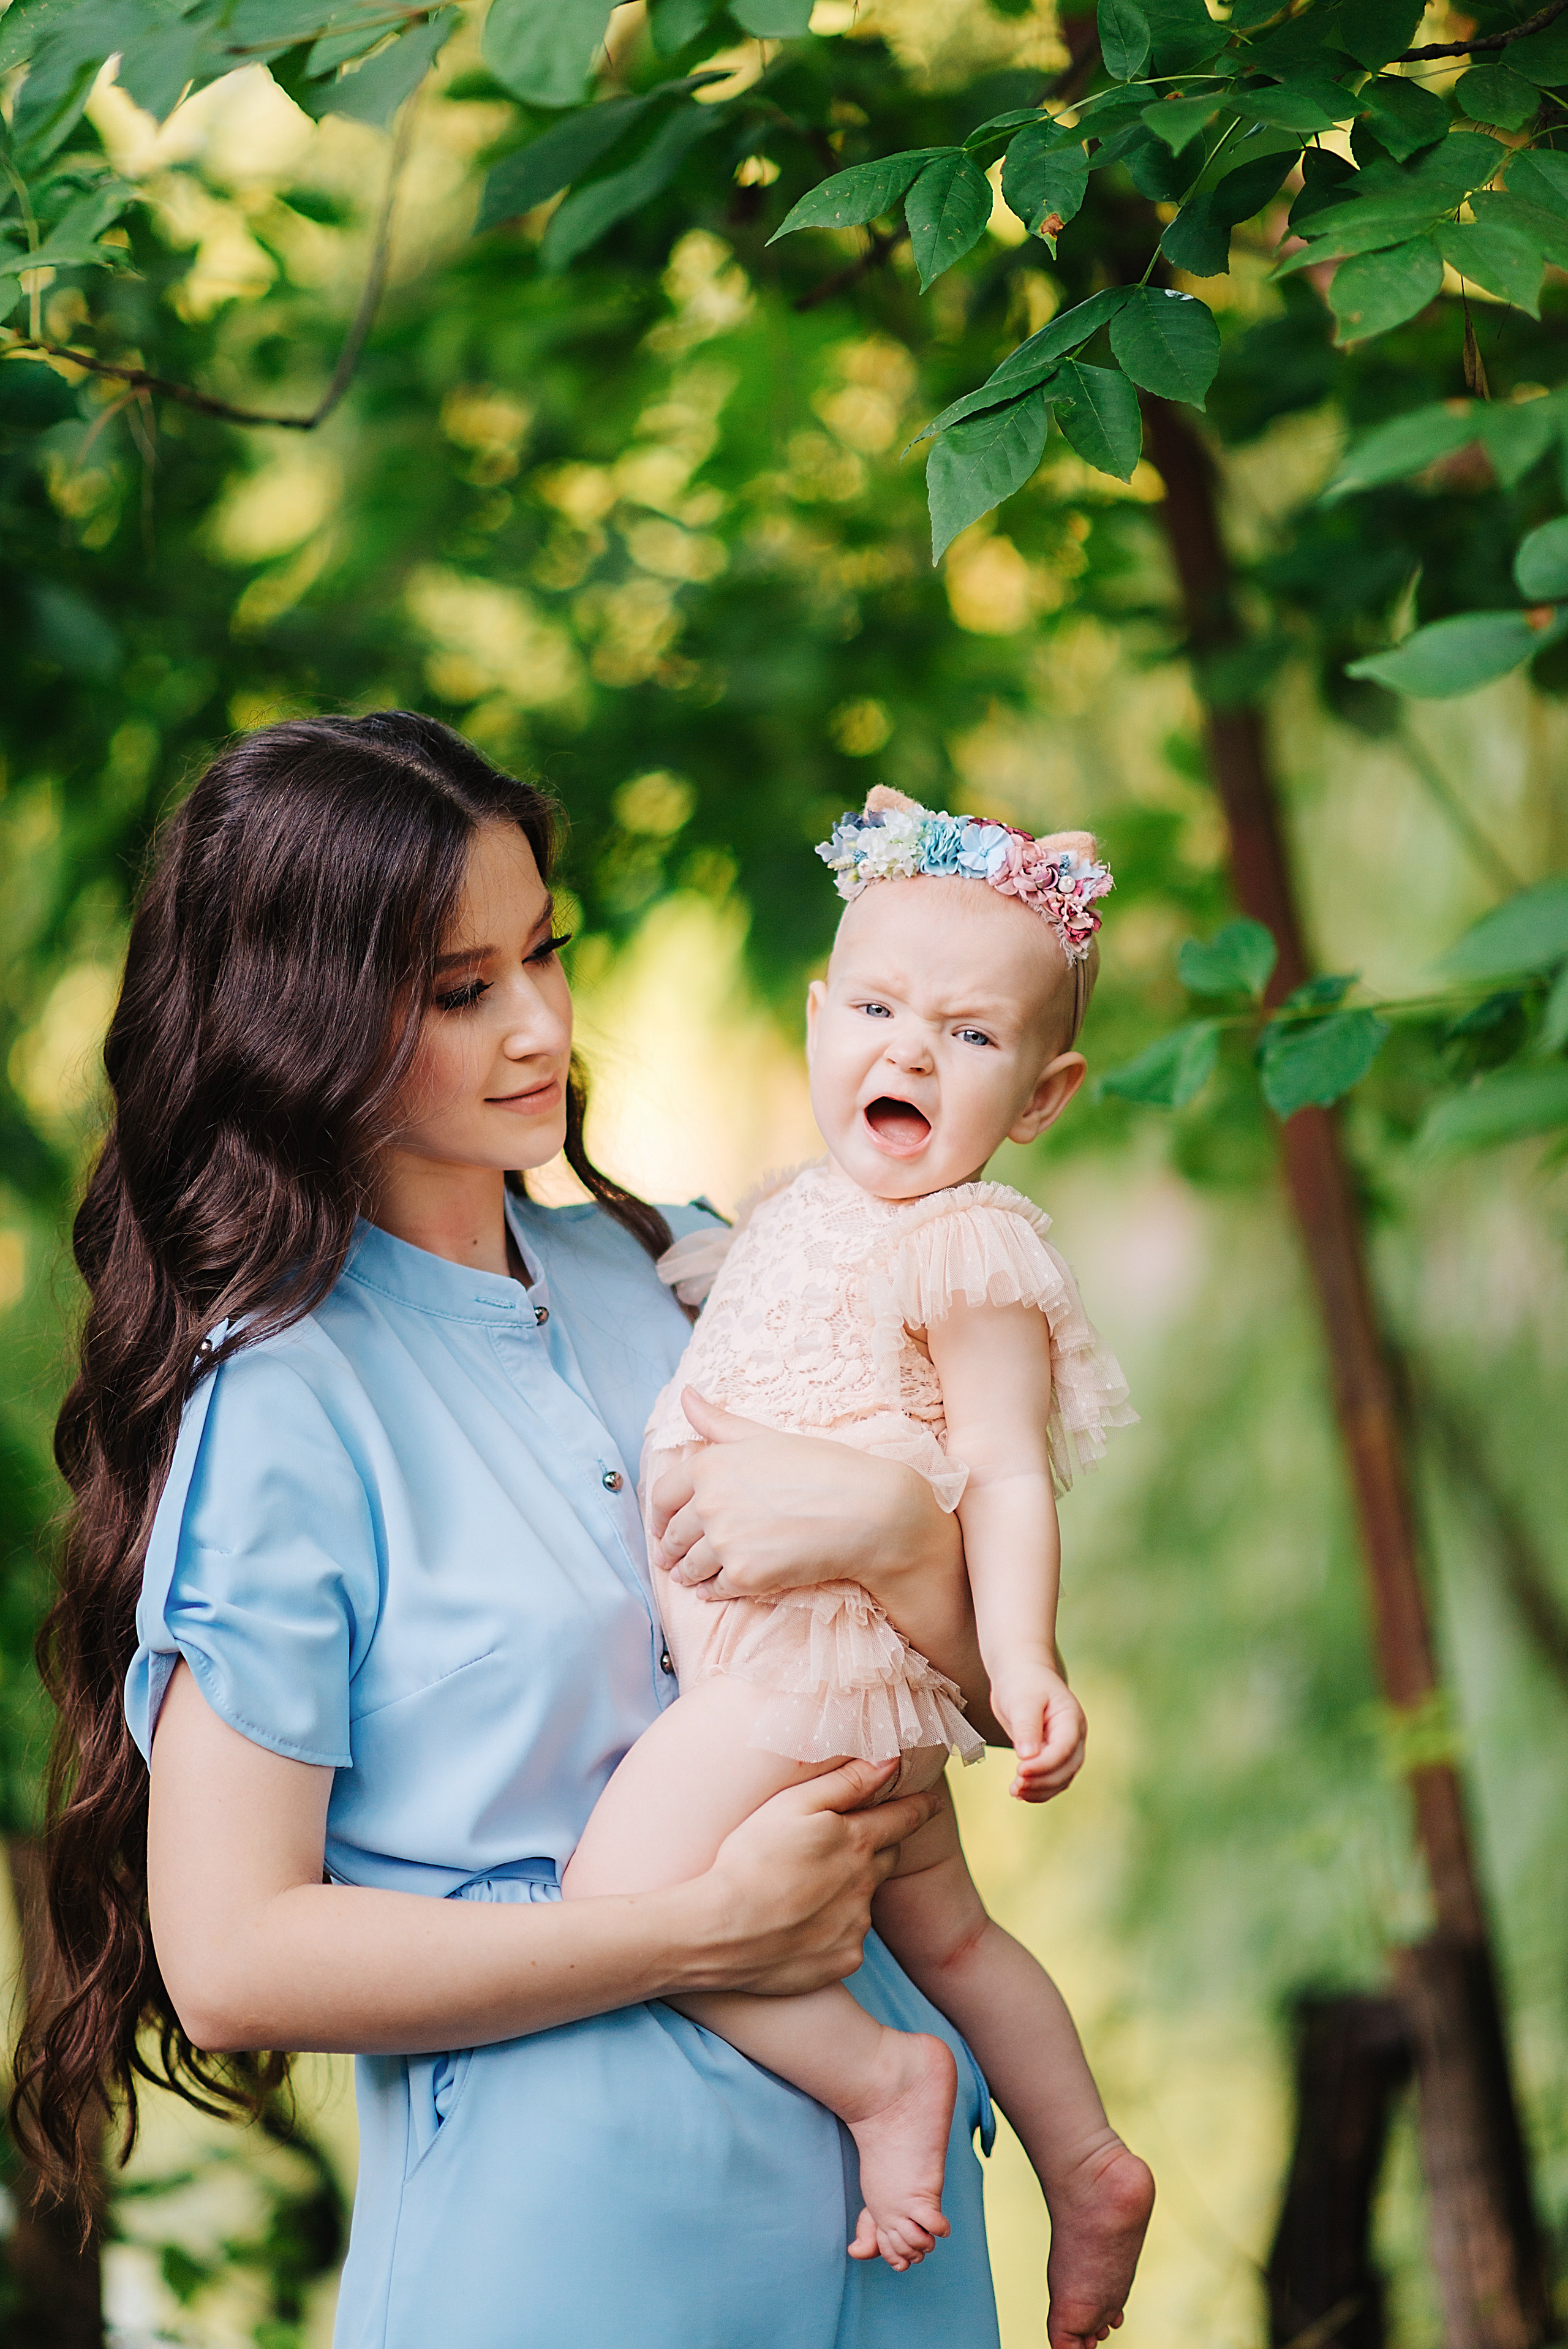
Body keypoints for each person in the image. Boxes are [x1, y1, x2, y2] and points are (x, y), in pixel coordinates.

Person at [12, 715, 1009, 2349]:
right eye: (462, 988)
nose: (542, 1021)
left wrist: (905, 1537)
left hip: (891, 2242)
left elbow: (994, 1694)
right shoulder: (287, 1404)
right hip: (572, 2256)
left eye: (546, 951)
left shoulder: (702, 1271)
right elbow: (232, 1954)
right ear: (303, 1023)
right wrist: (697, 1929)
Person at [564, 786, 1155, 2345]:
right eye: (879, 1008)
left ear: (1041, 1091)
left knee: (617, 1894)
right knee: (949, 1934)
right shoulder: (794, 1210)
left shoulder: (965, 1245)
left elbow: (1007, 1472)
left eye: (968, 1035)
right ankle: (1086, 2165)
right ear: (820, 1016)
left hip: (800, 1680)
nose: (906, 1050)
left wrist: (1021, 1660)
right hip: (811, 1675)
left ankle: (881, 2075)